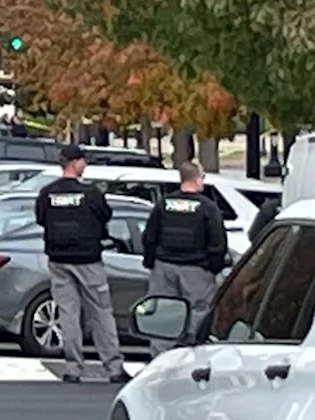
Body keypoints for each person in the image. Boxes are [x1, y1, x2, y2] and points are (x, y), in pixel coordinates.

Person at [34, 144, 131, 384]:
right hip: (88, 259)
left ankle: (73, 368)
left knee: (68, 313)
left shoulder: (47, 193)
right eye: (83, 161)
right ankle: (113, 367)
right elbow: (105, 216)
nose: (85, 165)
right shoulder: (91, 194)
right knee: (100, 312)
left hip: (58, 260)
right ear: (75, 163)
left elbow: (41, 219)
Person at [140, 161, 228, 352]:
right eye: (203, 177)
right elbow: (218, 241)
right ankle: (191, 352)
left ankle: (160, 358)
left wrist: (151, 261)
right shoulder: (207, 207)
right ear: (196, 179)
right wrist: (213, 267)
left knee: (163, 312)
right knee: (199, 311)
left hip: (164, 266)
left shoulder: (163, 204)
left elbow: (149, 236)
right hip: (196, 269)